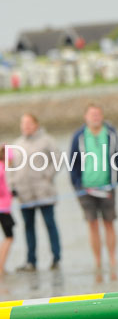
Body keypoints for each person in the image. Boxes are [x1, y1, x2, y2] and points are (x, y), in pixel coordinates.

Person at [69, 103, 118, 281]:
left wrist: (116, 180)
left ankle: (113, 260)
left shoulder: (111, 133)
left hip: (107, 187)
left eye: (98, 114)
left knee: (109, 223)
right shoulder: (78, 136)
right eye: (92, 114)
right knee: (92, 224)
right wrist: (77, 184)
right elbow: (73, 162)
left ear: (102, 116)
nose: (95, 117)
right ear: (85, 117)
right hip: (85, 188)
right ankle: (98, 261)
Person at [9, 113, 61, 271]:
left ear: (36, 124)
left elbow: (58, 160)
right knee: (28, 227)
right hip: (25, 195)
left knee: (49, 224)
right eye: (23, 123)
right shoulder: (16, 144)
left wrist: (47, 176)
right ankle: (31, 261)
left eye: (29, 123)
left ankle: (56, 258)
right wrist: (13, 185)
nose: (26, 126)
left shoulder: (47, 141)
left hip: (44, 192)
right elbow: (10, 168)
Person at [0, 145, 15, 275]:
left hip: (5, 208)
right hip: (3, 209)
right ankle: (0, 267)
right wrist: (10, 193)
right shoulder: (2, 169)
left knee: (8, 237)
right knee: (9, 237)